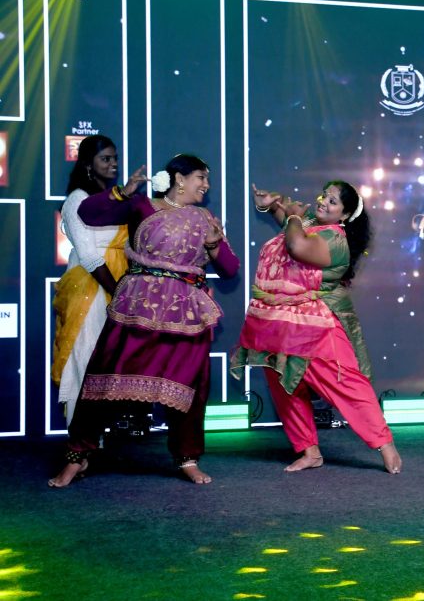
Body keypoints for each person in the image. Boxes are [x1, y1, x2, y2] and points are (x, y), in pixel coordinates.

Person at [48, 154, 239, 488]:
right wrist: (122, 192)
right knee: (102, 379)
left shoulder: (205, 218)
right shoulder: (142, 206)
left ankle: (187, 458)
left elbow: (230, 269)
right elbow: (88, 213)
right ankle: (76, 457)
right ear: (179, 179)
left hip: (186, 313)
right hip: (137, 307)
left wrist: (213, 245)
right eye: (201, 177)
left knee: (190, 387)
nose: (206, 185)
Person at [232, 181, 401, 474]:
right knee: (285, 384)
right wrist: (272, 205)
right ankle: (309, 451)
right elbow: (289, 220)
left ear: (344, 215)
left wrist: (292, 216)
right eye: (325, 196)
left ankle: (385, 445)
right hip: (279, 322)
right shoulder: (311, 223)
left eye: (333, 202)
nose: (323, 202)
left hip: (315, 325)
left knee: (345, 382)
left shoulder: (335, 240)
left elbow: (296, 245)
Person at [52, 135, 129, 424]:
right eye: (105, 159)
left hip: (116, 283)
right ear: (88, 163)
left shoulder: (113, 199)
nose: (113, 164)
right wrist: (117, 293)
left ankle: (98, 436)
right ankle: (80, 439)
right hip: (90, 285)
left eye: (115, 158)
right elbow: (88, 255)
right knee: (85, 355)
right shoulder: (77, 200)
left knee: (110, 363)